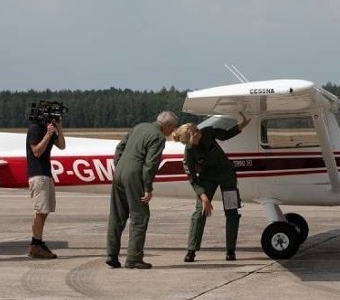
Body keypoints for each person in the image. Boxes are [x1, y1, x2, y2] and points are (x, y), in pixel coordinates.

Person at [172, 112, 251, 262]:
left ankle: (230, 251)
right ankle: (191, 250)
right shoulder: (189, 154)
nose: (199, 132)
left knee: (232, 210)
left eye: (197, 129)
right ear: (190, 140)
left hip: (227, 176)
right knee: (199, 213)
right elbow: (192, 179)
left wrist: (242, 125)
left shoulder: (207, 132)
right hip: (207, 179)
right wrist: (203, 197)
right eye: (195, 132)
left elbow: (226, 134)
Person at [106, 111, 179, 269]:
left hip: (119, 172)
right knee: (140, 216)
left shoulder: (139, 126)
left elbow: (120, 147)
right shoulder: (158, 137)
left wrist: (119, 166)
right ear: (167, 126)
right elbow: (150, 165)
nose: (172, 131)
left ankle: (112, 254)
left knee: (117, 215)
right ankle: (134, 258)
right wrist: (148, 187)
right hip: (134, 175)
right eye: (172, 128)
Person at [26, 109, 66, 259]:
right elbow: (36, 151)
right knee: (40, 210)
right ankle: (35, 244)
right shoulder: (35, 129)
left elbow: (61, 145)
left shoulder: (46, 129)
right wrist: (48, 135)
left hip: (46, 174)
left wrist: (59, 129)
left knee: (45, 210)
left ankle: (38, 242)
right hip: (37, 175)